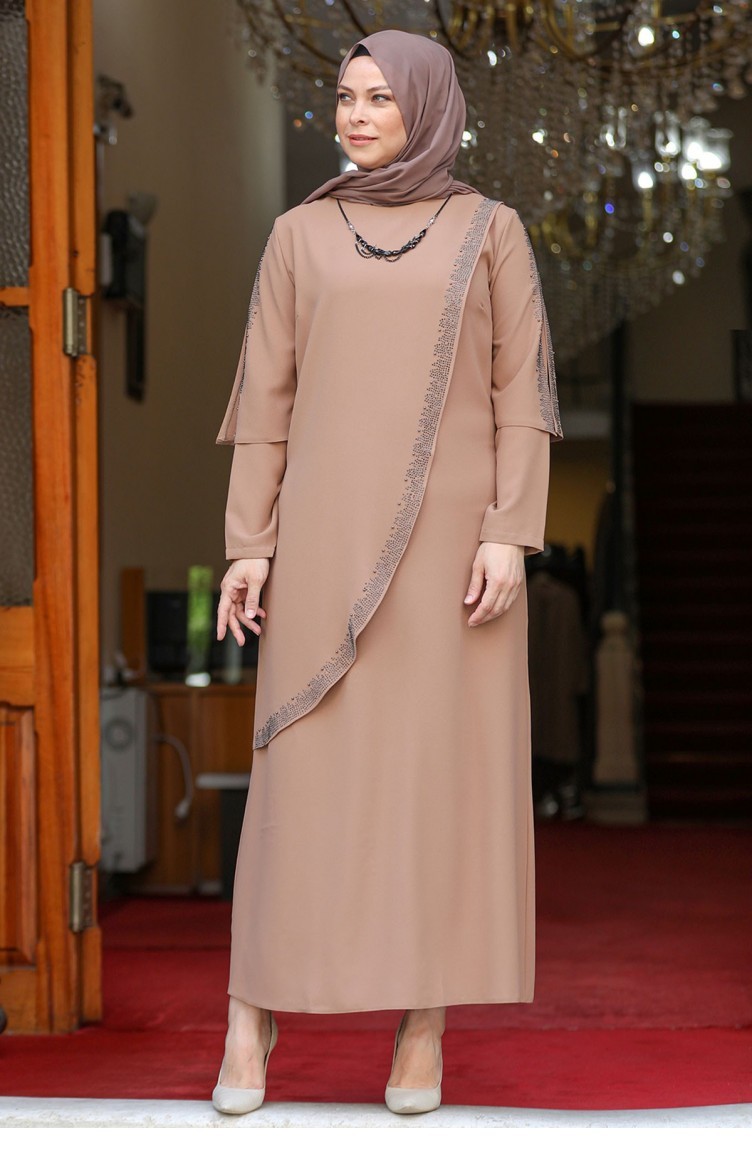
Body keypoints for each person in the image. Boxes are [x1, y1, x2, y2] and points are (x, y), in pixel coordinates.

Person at [212, 29, 563, 1116]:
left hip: (452, 563)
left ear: (428, 107)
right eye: (344, 96)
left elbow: (521, 390)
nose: (355, 116)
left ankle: (423, 1025)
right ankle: (249, 1018)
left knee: (431, 786)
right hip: (321, 545)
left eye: (378, 98)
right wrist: (248, 544)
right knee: (298, 781)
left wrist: (508, 529)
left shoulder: (490, 231)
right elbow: (263, 403)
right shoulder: (298, 235)